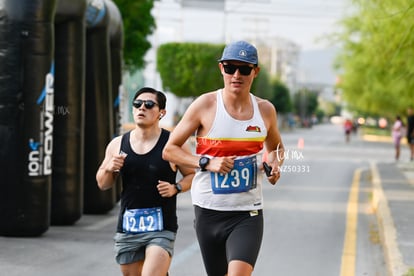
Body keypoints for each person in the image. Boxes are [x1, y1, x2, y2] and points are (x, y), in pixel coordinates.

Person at [162, 40, 285, 276]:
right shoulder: (205, 105)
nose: (236, 75)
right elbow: (170, 150)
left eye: (244, 69)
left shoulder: (265, 110)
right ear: (221, 69)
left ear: (255, 72)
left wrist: (275, 163)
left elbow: (277, 148)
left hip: (247, 213)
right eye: (230, 68)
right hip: (208, 211)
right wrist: (206, 162)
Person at [96, 87, 195, 276]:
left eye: (149, 105)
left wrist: (176, 187)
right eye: (137, 104)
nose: (142, 108)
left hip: (161, 227)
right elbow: (103, 184)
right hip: (128, 226)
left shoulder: (173, 143)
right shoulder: (117, 144)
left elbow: (193, 174)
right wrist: (109, 167)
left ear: (161, 113)